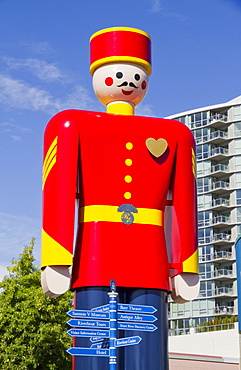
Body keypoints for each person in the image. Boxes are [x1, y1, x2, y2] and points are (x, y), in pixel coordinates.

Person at [41, 27, 199, 370]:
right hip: (95, 254)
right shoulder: (71, 124)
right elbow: (57, 190)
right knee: (95, 347)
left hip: (151, 258)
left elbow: (185, 202)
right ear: (99, 76)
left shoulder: (175, 135)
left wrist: (185, 266)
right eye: (116, 74)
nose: (127, 83)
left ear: (145, 80)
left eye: (136, 75)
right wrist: (56, 257)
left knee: (147, 349)